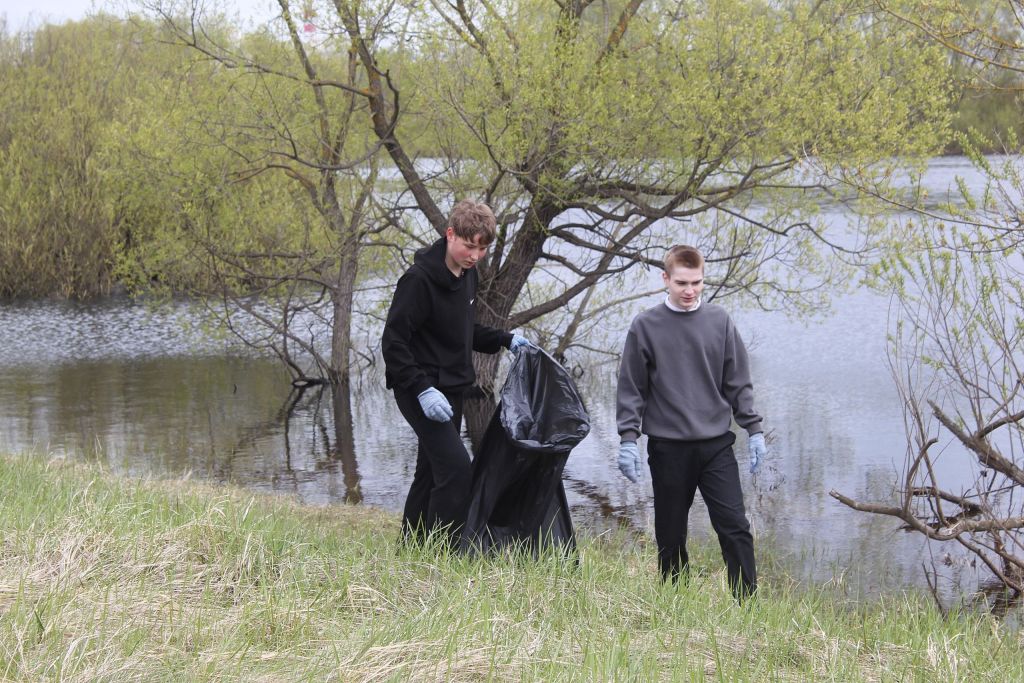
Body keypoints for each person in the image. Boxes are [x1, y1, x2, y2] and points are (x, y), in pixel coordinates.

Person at [615, 244, 768, 600]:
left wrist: (754, 429)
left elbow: (738, 382)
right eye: (682, 282)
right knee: (670, 534)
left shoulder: (719, 321)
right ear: (665, 279)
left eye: (696, 282)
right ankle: (675, 602)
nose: (689, 290)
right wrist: (628, 438)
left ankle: (747, 604)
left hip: (715, 445)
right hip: (668, 448)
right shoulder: (646, 326)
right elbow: (631, 388)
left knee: (735, 527)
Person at [382, 199, 530, 546]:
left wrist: (505, 339)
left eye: (482, 248)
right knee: (456, 470)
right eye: (468, 246)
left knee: (430, 472)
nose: (475, 256)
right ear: (450, 234)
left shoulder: (467, 275)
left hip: (452, 388)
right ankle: (443, 551)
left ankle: (412, 548)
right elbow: (393, 343)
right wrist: (421, 388)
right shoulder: (418, 281)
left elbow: (464, 330)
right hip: (418, 388)